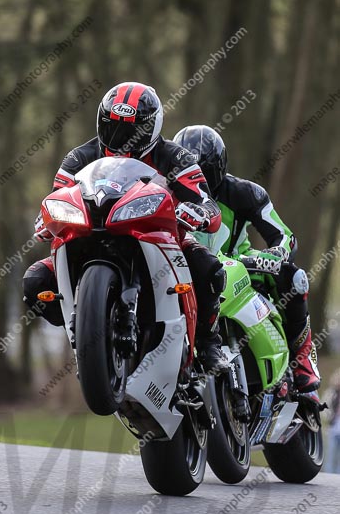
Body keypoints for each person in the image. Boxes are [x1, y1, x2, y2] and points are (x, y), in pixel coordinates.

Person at [23, 81, 228, 373]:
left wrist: (200, 213)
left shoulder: (175, 156)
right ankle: (84, 330)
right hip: (92, 233)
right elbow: (58, 194)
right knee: (35, 281)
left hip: (160, 237)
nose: (122, 137)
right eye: (113, 126)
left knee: (209, 268)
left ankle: (209, 344)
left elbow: (206, 202)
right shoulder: (79, 156)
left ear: (153, 126)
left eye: (134, 129)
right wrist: (48, 216)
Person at [172, 124, 320, 392]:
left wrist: (277, 254)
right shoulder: (165, 193)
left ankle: (302, 357)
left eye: (203, 172)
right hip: (186, 269)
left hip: (240, 262)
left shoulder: (244, 193)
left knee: (294, 278)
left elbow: (284, 236)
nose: (198, 181)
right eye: (189, 173)